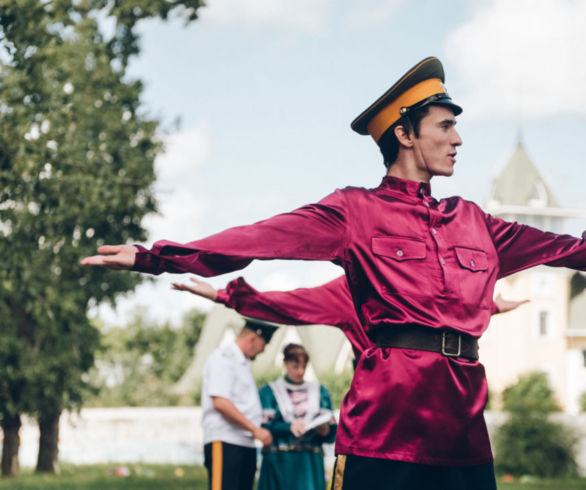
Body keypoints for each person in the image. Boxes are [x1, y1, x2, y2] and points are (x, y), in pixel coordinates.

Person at [81, 56, 586, 489]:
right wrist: (155, 256)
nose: (458, 138)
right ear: (405, 134)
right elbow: (260, 238)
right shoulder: (355, 211)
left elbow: (572, 249)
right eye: (445, 126)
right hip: (386, 430)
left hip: (463, 432)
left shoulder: (477, 222)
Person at [172, 275, 528, 365]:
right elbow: (287, 304)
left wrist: (489, 305)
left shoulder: (411, 280)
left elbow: (446, 308)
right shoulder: (347, 290)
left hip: (421, 396)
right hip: (374, 401)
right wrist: (222, 295)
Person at [200, 316, 277, 490]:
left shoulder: (241, 363)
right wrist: (254, 429)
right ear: (253, 338)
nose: (262, 351)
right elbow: (220, 402)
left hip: (244, 443)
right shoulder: (223, 358)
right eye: (263, 346)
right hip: (226, 441)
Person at [255, 343, 337, 490]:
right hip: (280, 460)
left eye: (304, 366)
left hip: (309, 462)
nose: (300, 371)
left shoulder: (320, 391)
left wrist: (326, 431)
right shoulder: (270, 391)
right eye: (295, 366)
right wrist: (288, 427)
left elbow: (331, 426)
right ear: (285, 363)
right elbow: (263, 425)